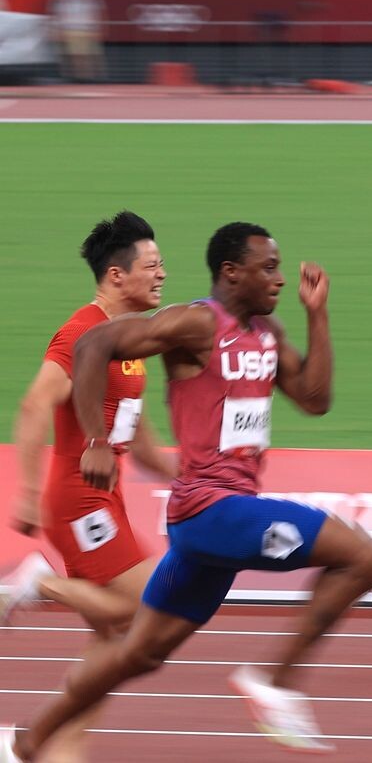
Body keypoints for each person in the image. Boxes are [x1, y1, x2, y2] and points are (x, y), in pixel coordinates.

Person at [3, 222, 372, 761]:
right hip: (189, 508)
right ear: (232, 273)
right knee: (360, 556)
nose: (279, 278)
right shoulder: (185, 323)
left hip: (195, 513)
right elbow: (83, 355)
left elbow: (314, 399)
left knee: (136, 651)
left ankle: (28, 743)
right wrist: (90, 444)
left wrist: (317, 315)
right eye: (268, 268)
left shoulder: (261, 334)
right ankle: (272, 680)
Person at [3, 211, 176, 763]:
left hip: (107, 497)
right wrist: (28, 493)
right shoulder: (82, 332)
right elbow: (34, 405)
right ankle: (39, 582)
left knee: (113, 640)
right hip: (79, 499)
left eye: (162, 265)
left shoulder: (131, 341)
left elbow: (138, 438)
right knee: (148, 609)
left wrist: (192, 477)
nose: (162, 275)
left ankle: (57, 750)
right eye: (152, 266)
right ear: (116, 276)